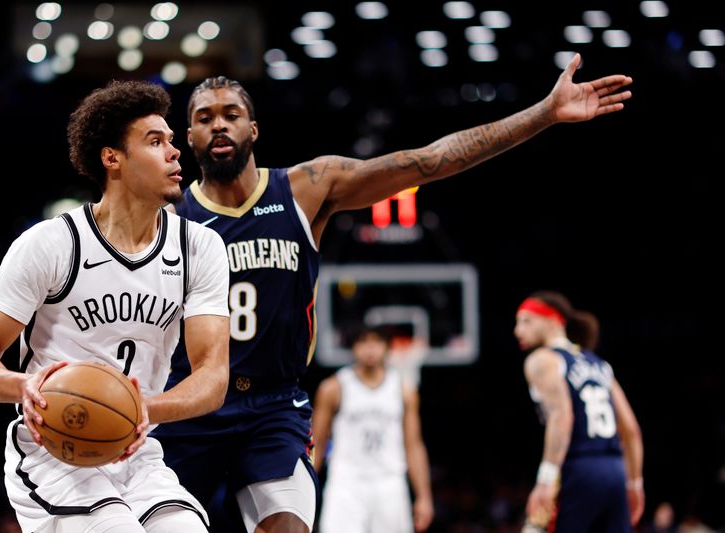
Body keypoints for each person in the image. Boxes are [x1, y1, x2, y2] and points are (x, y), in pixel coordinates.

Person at [153, 52, 634, 533]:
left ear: (253, 130)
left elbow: (427, 162)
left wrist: (545, 113)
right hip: (193, 406)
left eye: (231, 115)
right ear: (189, 136)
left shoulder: (305, 189)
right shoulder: (169, 221)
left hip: (273, 410)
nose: (219, 126)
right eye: (204, 118)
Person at [0, 80, 231, 533]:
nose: (175, 153)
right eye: (155, 141)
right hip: (53, 452)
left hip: (135, 451)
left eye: (173, 141)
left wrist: (147, 409)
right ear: (112, 158)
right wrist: (24, 386)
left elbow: (213, 377)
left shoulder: (200, 248)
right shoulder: (50, 244)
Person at [513, 291, 644, 532]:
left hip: (579, 469)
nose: (518, 330)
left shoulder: (542, 360)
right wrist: (634, 482)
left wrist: (546, 480)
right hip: (615, 470)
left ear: (553, 321)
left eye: (526, 321)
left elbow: (562, 416)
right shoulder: (598, 363)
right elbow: (632, 430)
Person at [311, 326, 434, 533]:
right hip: (346, 483)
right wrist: (306, 492)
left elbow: (413, 445)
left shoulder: (404, 389)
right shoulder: (333, 387)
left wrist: (424, 497)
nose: (370, 348)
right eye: (363, 342)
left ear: (387, 347)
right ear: (354, 348)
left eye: (376, 342)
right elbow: (317, 443)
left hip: (390, 483)